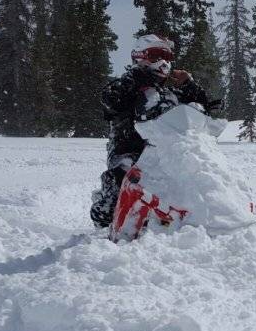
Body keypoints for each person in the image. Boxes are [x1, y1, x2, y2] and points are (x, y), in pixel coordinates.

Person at [89, 34, 217, 229]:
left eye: (167, 57)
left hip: (166, 154)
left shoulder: (168, 93)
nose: (164, 62)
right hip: (129, 155)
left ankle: (209, 215)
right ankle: (107, 211)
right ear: (141, 57)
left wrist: (189, 85)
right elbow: (110, 99)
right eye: (157, 55)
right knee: (110, 207)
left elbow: (200, 109)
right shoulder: (128, 87)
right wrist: (136, 77)